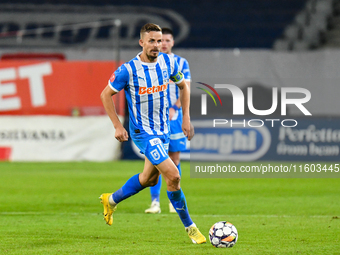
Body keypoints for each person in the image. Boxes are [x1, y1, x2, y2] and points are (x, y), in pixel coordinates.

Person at [99, 23, 206, 244]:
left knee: (148, 179)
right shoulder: (128, 69)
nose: (157, 45)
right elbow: (105, 94)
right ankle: (191, 227)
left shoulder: (168, 62)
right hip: (143, 133)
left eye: (159, 41)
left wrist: (185, 117)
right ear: (142, 42)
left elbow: (184, 87)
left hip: (164, 130)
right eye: (152, 41)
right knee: (174, 175)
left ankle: (111, 199)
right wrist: (118, 126)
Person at [145, 27, 191, 214]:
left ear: (172, 42)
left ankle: (173, 200)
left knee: (174, 158)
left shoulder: (180, 62)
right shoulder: (148, 63)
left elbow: (185, 87)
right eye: (160, 40)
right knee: (155, 160)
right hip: (155, 118)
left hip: (174, 117)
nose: (163, 43)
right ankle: (155, 202)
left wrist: (176, 108)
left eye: (167, 40)